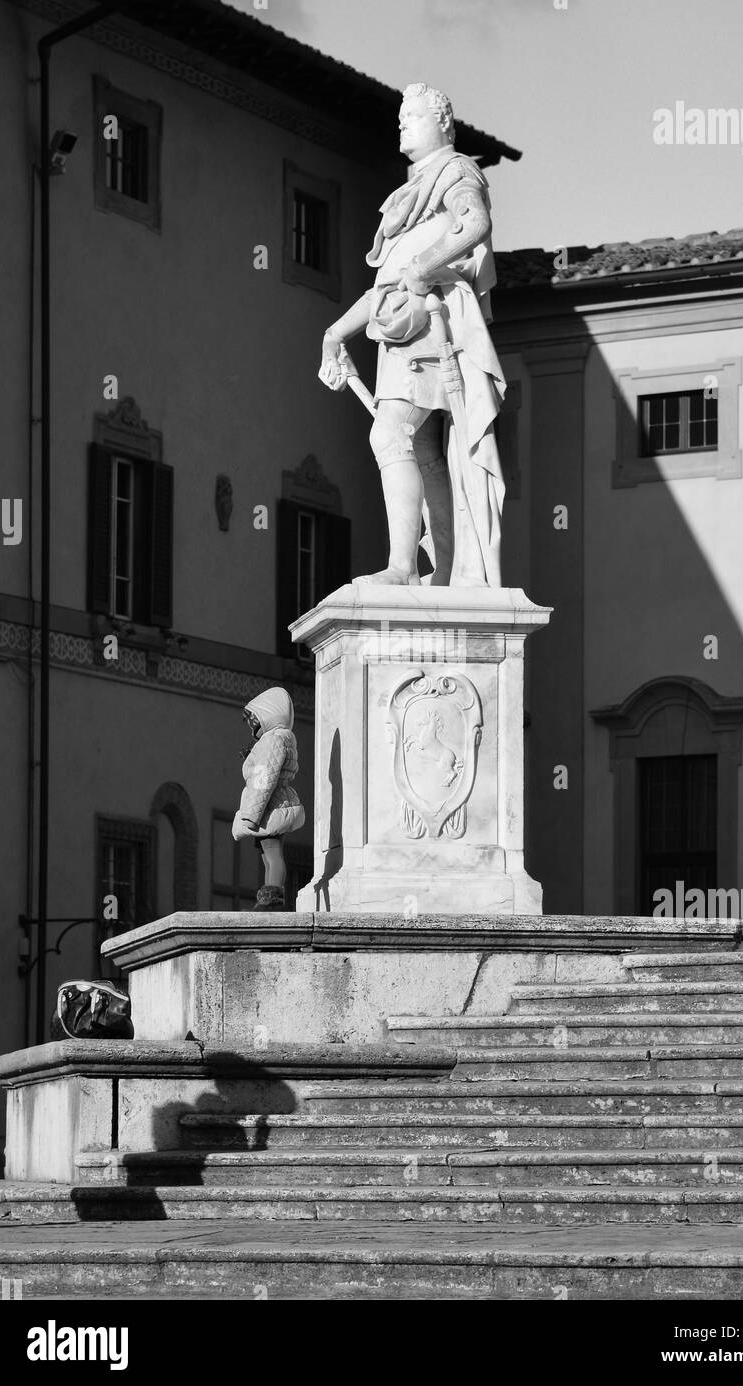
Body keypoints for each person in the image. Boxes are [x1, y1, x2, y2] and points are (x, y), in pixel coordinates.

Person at [318, 81, 505, 587]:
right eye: (401, 117)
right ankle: (445, 570)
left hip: (432, 325)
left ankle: (402, 567)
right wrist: (336, 333)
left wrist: (425, 267)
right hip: (401, 330)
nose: (402, 123)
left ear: (443, 123)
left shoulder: (456, 171)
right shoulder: (408, 193)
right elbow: (385, 285)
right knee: (427, 454)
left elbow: (475, 224)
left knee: (390, 431)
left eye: (414, 116)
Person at [232, 687, 305, 911]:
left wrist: (251, 816)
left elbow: (264, 780)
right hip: (273, 803)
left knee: (272, 853)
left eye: (253, 719)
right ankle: (268, 897)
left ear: (267, 713)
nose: (251, 724)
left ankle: (272, 900)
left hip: (269, 806)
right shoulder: (279, 738)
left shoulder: (273, 739)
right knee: (267, 854)